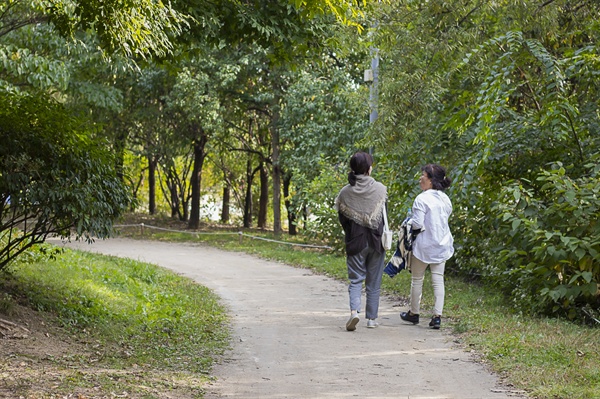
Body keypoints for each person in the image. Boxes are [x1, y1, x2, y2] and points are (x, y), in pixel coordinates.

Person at [334, 151, 388, 331]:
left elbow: (343, 220)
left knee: (356, 280)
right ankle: (372, 319)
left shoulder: (345, 193)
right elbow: (383, 216)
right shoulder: (380, 189)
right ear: (368, 169)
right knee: (374, 281)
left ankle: (354, 313)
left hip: (355, 241)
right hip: (376, 241)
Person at [400, 164, 454, 330]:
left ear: (431, 180)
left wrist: (407, 224)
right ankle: (437, 316)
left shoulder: (421, 199)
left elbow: (417, 224)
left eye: (423, 175)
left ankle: (414, 313)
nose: (420, 178)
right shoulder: (445, 198)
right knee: (438, 280)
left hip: (423, 246)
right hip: (442, 244)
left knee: (417, 280)